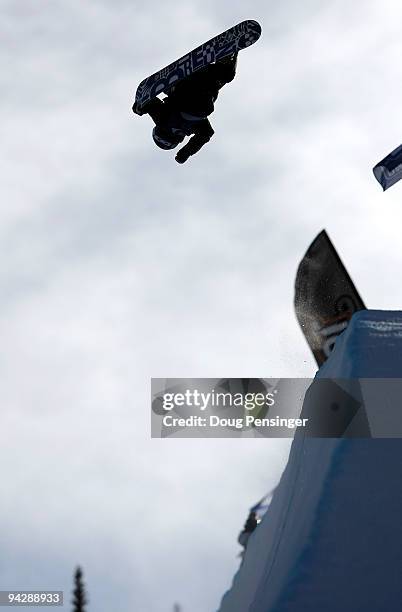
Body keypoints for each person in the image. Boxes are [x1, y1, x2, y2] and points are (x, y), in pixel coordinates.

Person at [136, 53, 238, 163]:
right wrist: (140, 107)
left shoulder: (169, 122)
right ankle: (227, 55)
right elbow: (150, 103)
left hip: (195, 90)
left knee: (226, 75)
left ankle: (226, 59)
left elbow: (206, 134)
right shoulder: (164, 120)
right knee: (226, 75)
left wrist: (187, 151)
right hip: (195, 86)